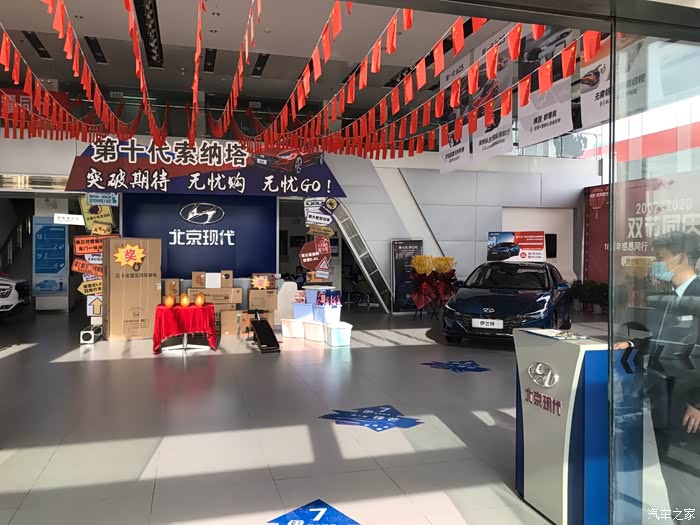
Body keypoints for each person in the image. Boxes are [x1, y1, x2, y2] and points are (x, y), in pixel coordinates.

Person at [615, 231, 700, 517]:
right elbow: (662, 340)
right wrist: (633, 345)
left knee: (685, 474)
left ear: (682, 257)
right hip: (664, 395)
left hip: (690, 402)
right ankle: (678, 516)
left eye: (660, 257)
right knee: (666, 467)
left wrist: (698, 402)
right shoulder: (668, 297)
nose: (655, 263)